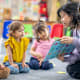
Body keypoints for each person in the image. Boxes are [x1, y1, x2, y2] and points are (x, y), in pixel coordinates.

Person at [57, 2, 80, 79]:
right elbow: (77, 54)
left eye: (63, 16)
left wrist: (74, 41)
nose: (61, 20)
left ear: (72, 15)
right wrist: (65, 58)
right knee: (71, 68)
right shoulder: (74, 31)